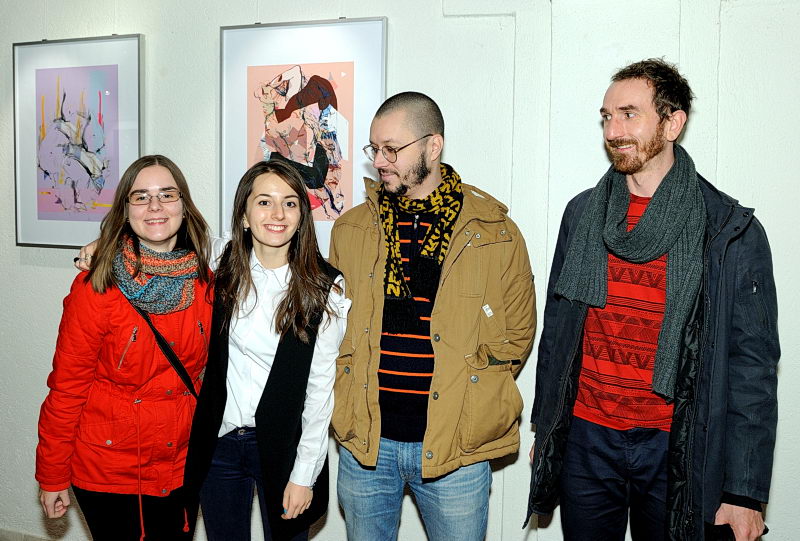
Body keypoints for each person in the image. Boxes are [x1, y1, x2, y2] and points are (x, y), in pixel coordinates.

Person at [525, 59, 780, 541]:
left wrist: (744, 492)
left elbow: (753, 368)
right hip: (586, 439)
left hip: (677, 446)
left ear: (672, 123)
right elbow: (557, 330)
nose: (613, 131)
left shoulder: (728, 230)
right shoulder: (583, 214)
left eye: (629, 114)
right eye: (607, 117)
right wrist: (548, 427)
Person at [328, 91, 536, 541]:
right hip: (366, 444)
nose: (379, 161)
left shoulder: (494, 232)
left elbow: (518, 334)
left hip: (457, 448)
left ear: (433, 146)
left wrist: (476, 388)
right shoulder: (351, 229)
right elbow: (335, 329)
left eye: (391, 149)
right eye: (374, 149)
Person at [36, 155, 212, 540]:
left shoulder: (206, 282)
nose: (155, 206)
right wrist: (52, 475)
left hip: (182, 461)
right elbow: (67, 388)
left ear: (184, 205)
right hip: (110, 467)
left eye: (167, 194)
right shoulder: (96, 287)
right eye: (141, 196)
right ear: (125, 210)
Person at [182, 159, 349, 541]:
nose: (277, 214)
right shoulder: (221, 261)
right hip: (220, 443)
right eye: (264, 202)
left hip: (283, 447)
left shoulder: (325, 287)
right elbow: (162, 238)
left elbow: (320, 393)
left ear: (302, 216)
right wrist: (103, 246)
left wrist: (304, 476)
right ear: (244, 215)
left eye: (290, 203)